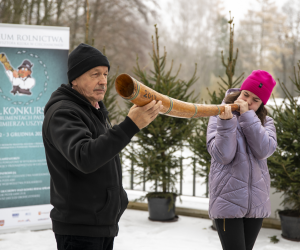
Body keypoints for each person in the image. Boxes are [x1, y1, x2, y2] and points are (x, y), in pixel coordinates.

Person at [42, 43, 162, 250]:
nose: (103, 81)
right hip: (79, 229)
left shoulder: (93, 110)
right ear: (75, 79)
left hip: (100, 223)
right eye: (94, 74)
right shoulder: (63, 112)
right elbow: (85, 157)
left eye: (105, 74)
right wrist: (129, 125)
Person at [206, 70, 277, 250]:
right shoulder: (218, 114)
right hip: (227, 200)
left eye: (256, 100)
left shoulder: (266, 122)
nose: (248, 102)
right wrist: (227, 122)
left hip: (256, 203)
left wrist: (247, 117)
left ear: (262, 103)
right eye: (246, 94)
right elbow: (223, 156)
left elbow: (264, 150)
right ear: (240, 92)